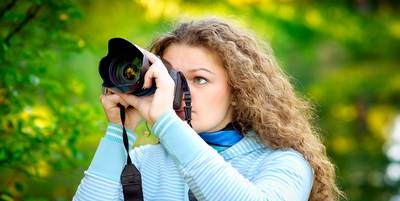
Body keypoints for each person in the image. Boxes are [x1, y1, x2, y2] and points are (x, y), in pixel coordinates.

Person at [73, 17, 342, 201]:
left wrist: (167, 123)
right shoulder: (143, 163)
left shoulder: (284, 163)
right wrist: (118, 132)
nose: (178, 92)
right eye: (172, 78)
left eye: (199, 79)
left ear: (239, 92)